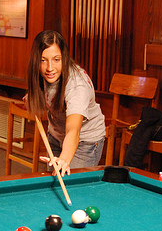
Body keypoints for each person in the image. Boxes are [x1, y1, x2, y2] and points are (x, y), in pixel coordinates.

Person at [26, 30, 105, 176]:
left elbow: (73, 130)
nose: (50, 67)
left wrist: (64, 159)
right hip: (56, 135)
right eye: (43, 60)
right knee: (54, 184)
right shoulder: (40, 73)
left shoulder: (77, 86)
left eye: (56, 59)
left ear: (64, 58)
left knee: (70, 187)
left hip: (84, 141)